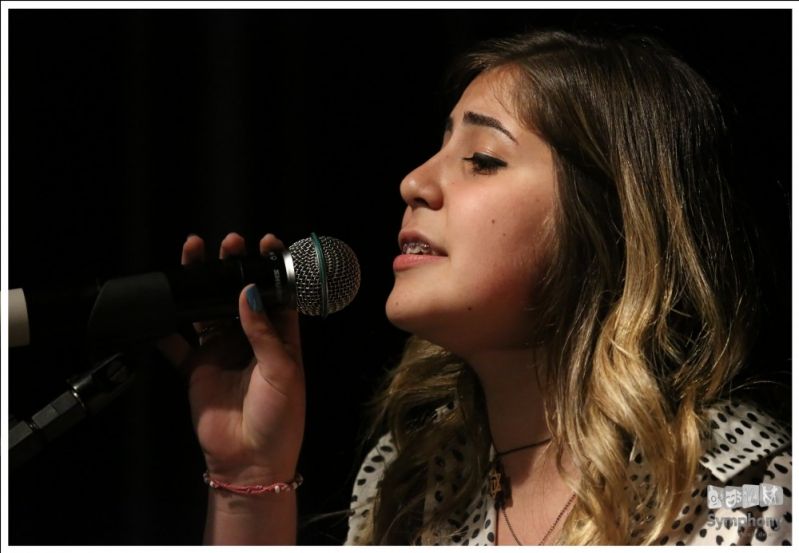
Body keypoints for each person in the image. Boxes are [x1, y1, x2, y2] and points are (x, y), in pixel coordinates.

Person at [156, 28, 792, 545]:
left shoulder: (749, 486)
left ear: (610, 221)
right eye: (437, 149)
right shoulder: (409, 485)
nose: (413, 182)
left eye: (483, 159)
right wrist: (248, 474)